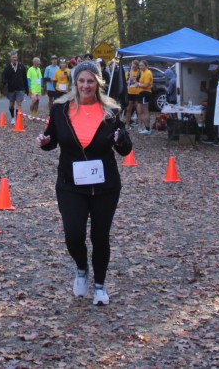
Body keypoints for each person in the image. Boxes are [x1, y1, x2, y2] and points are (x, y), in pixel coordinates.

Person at [35, 60, 133, 306]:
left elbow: (125, 148)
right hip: (70, 183)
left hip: (105, 186)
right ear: (75, 83)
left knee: (100, 236)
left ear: (98, 83)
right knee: (73, 234)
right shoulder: (60, 109)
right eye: (81, 81)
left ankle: (99, 285)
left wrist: (121, 140)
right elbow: (52, 139)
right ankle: (81, 268)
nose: (85, 86)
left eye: (90, 81)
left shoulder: (111, 110)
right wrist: (45, 141)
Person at [2, 51, 27, 125]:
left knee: (19, 104)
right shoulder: (7, 68)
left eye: (15, 57)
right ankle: (13, 118)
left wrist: (27, 89)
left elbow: (25, 78)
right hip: (11, 89)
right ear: (10, 58)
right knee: (11, 105)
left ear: (17, 58)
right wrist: (4, 81)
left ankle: (18, 119)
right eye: (13, 57)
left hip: (20, 88)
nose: (14, 59)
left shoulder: (22, 67)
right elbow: (4, 76)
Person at [135, 60, 154, 134]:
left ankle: (148, 129)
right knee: (141, 111)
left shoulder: (147, 73)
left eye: (142, 65)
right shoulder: (142, 72)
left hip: (145, 93)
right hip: (141, 93)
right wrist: (138, 84)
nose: (140, 67)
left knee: (145, 111)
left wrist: (138, 84)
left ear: (146, 66)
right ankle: (146, 128)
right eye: (140, 65)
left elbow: (146, 85)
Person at [125, 60, 141, 124]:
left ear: (137, 66)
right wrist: (129, 81)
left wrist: (135, 81)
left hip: (137, 92)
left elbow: (141, 82)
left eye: (135, 66)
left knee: (138, 109)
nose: (133, 67)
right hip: (129, 92)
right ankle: (127, 123)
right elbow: (125, 81)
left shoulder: (139, 72)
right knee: (128, 109)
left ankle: (139, 124)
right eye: (132, 66)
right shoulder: (128, 72)